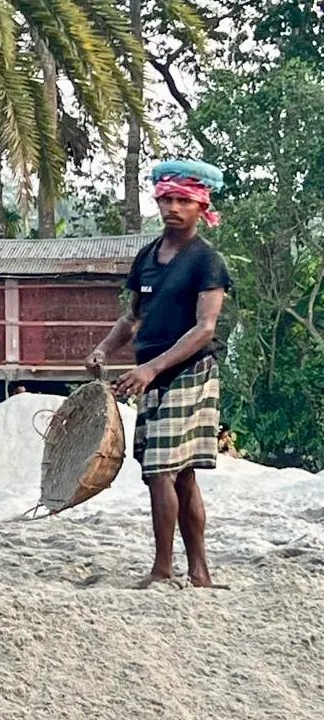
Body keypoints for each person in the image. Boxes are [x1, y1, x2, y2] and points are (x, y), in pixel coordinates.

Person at [85, 159, 231, 588]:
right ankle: (199, 573)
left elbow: (205, 328)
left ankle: (165, 569)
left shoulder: (207, 261)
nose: (173, 207)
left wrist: (150, 367)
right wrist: (104, 348)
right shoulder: (148, 257)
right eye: (166, 198)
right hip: (153, 374)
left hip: (190, 371)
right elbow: (132, 319)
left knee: (159, 469)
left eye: (182, 200)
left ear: (201, 205)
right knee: (177, 472)